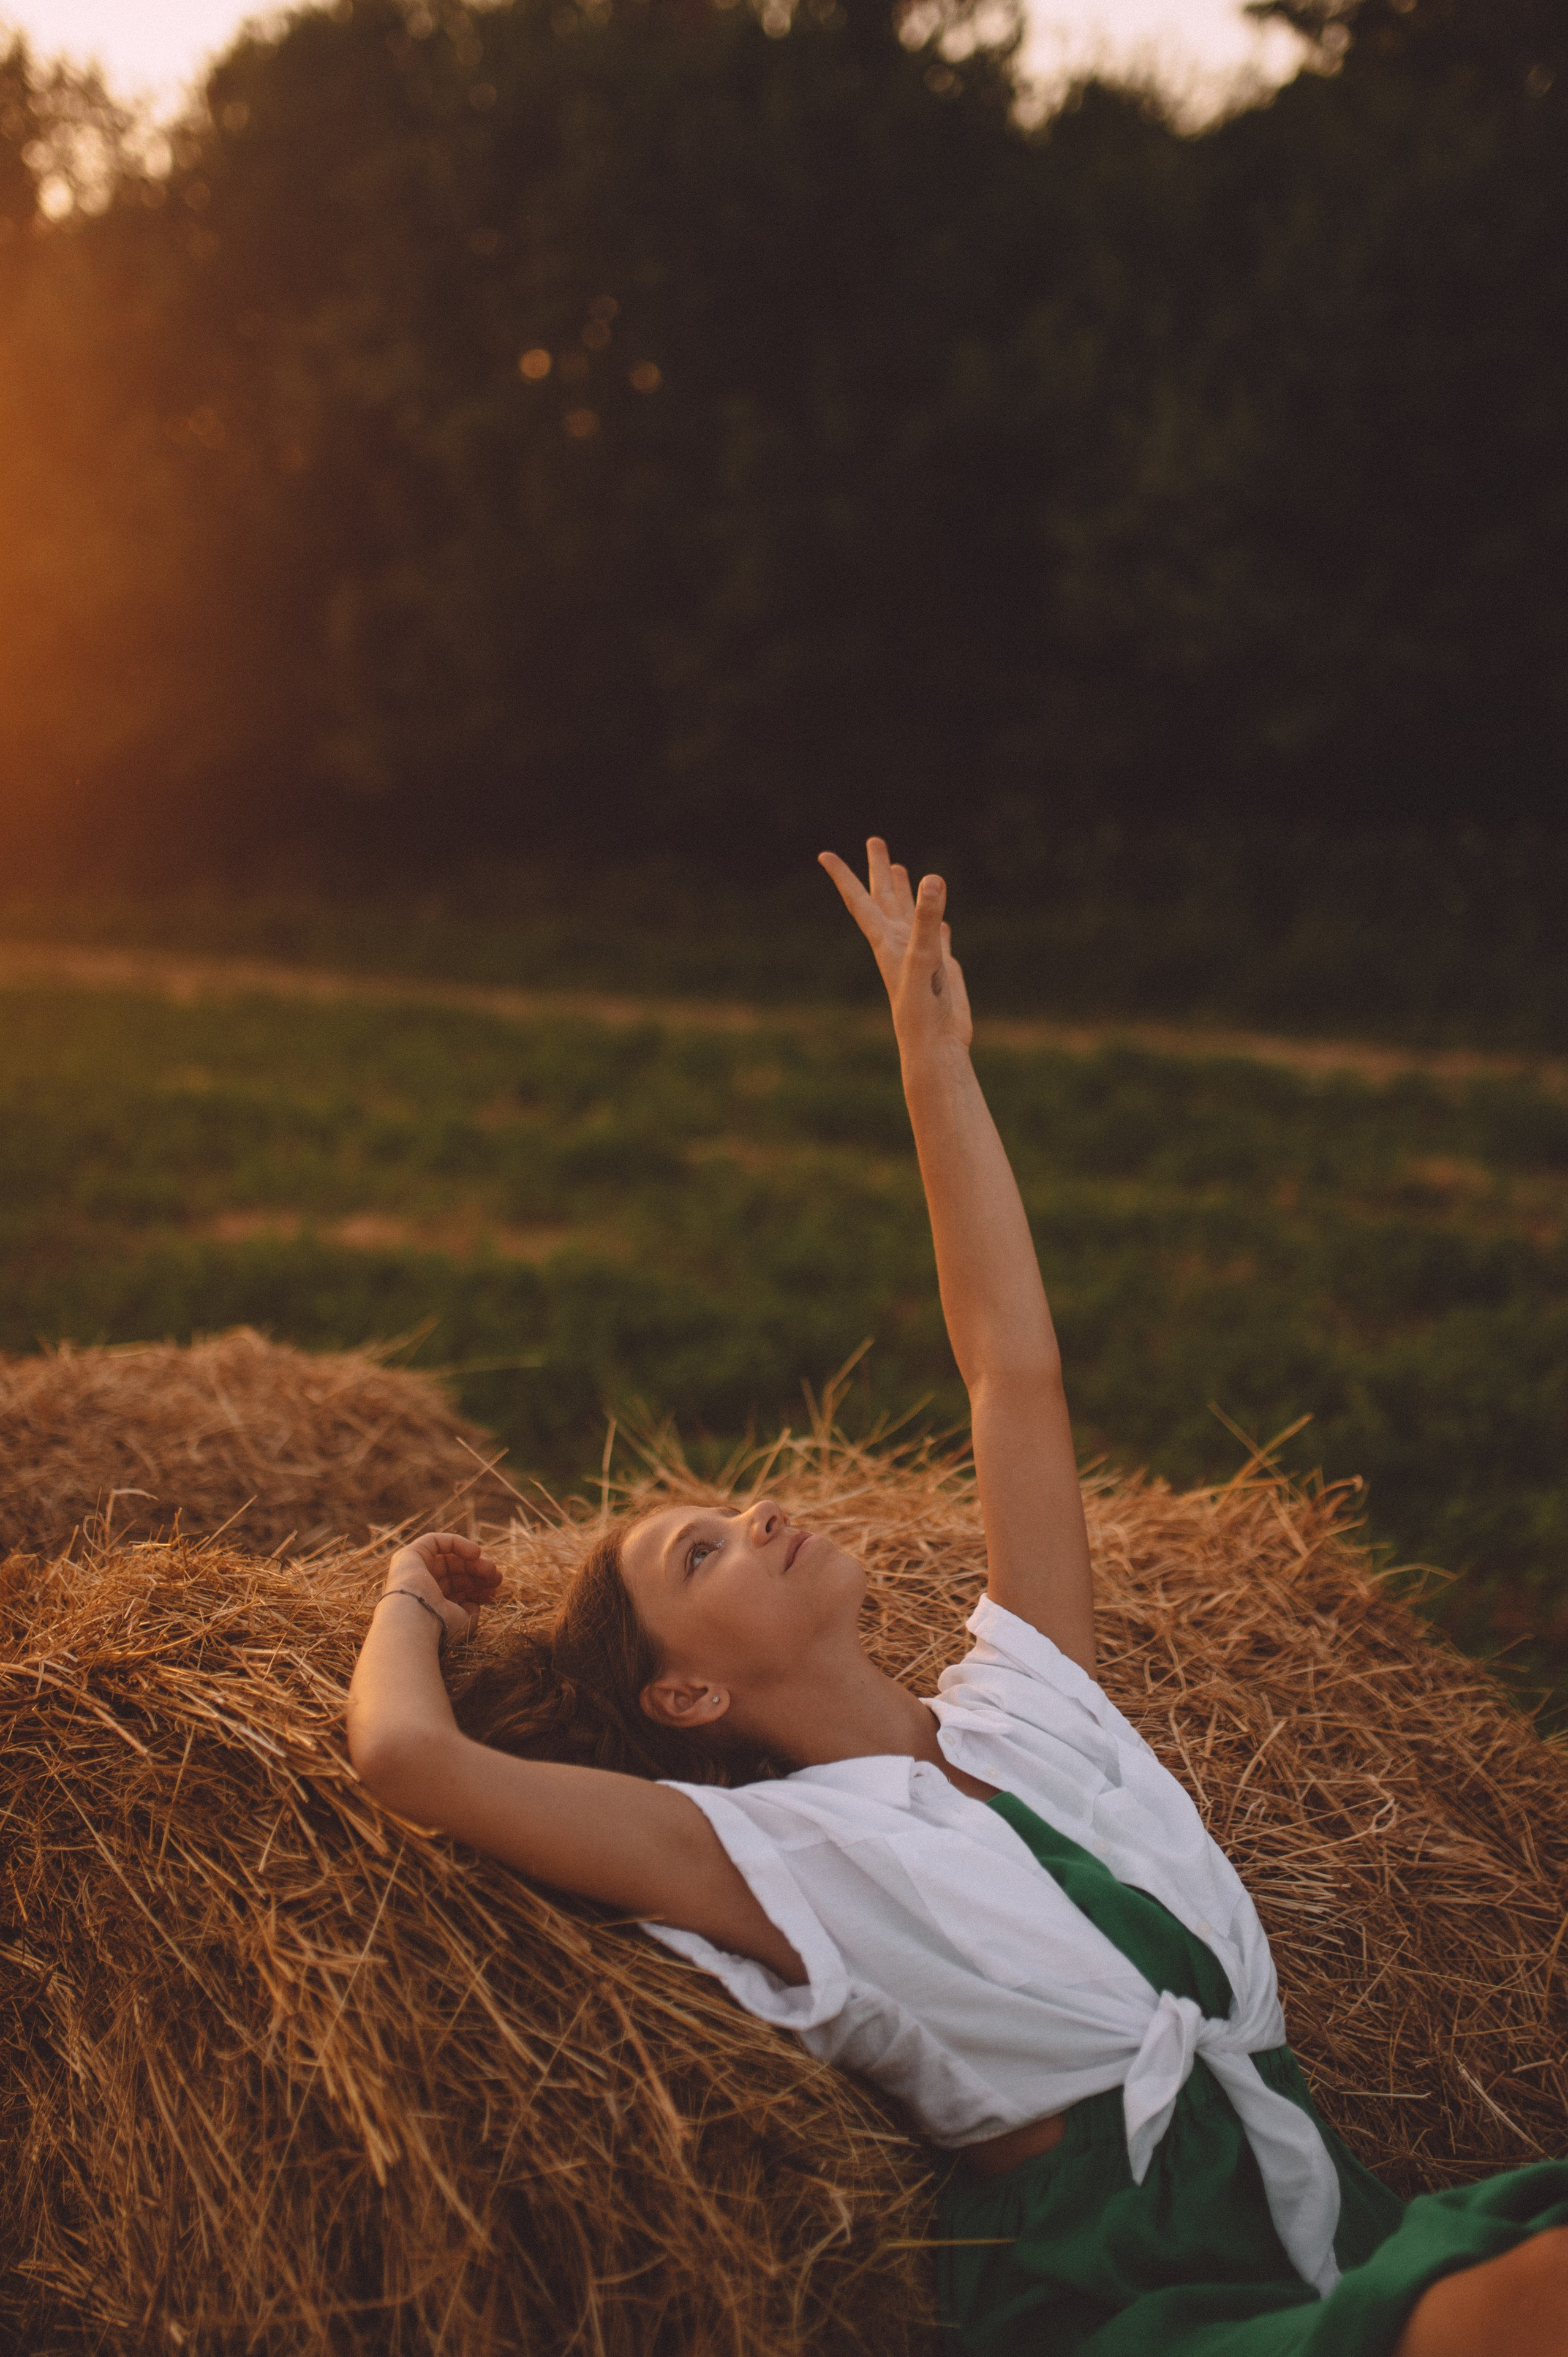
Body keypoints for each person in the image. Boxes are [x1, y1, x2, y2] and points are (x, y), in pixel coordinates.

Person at [347, 842, 1568, 2357]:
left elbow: (1010, 1370)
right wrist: (408, 1594)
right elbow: (411, 1761)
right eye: (702, 1554)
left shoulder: (1027, 1708)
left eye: (729, 1512)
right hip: (1125, 2296)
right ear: (685, 1697)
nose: (760, 1513)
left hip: (1330, 2213)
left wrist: (933, 1063)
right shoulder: (761, 1852)